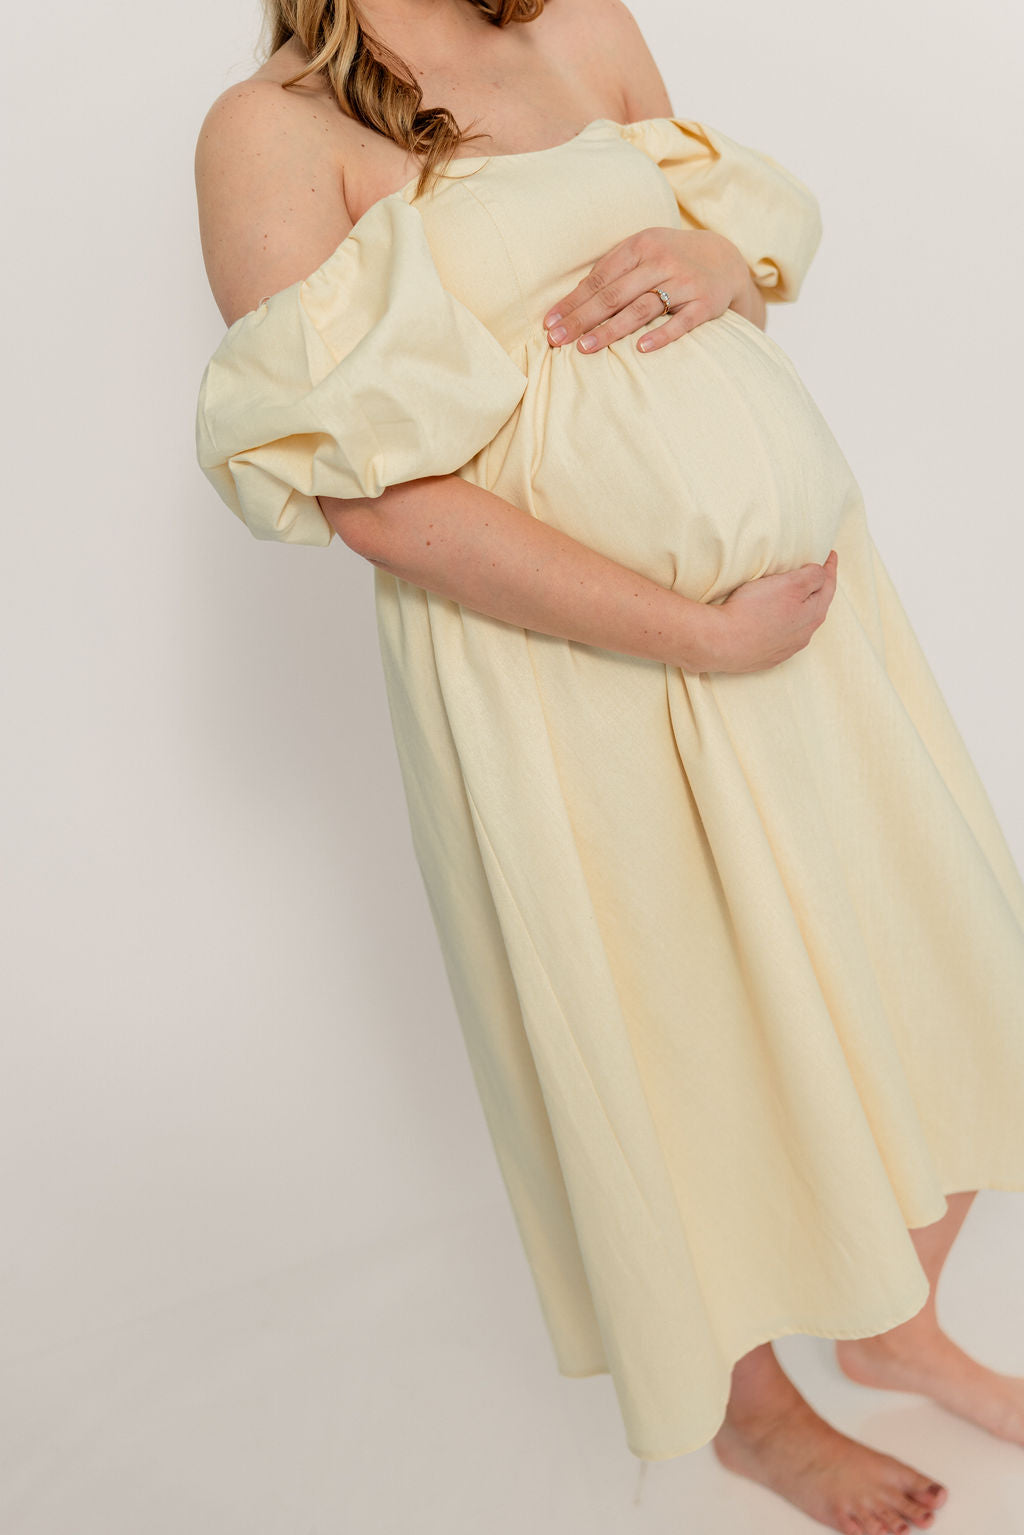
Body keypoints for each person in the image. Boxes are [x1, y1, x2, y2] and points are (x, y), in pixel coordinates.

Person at [193, 2, 1024, 1530]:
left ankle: (897, 1329)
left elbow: (702, 286)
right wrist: (690, 634)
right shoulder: (274, 132)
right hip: (566, 677)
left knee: (938, 961)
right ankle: (756, 1420)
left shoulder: (584, 22)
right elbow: (376, 502)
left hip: (814, 632)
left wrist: (725, 267)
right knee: (681, 1036)